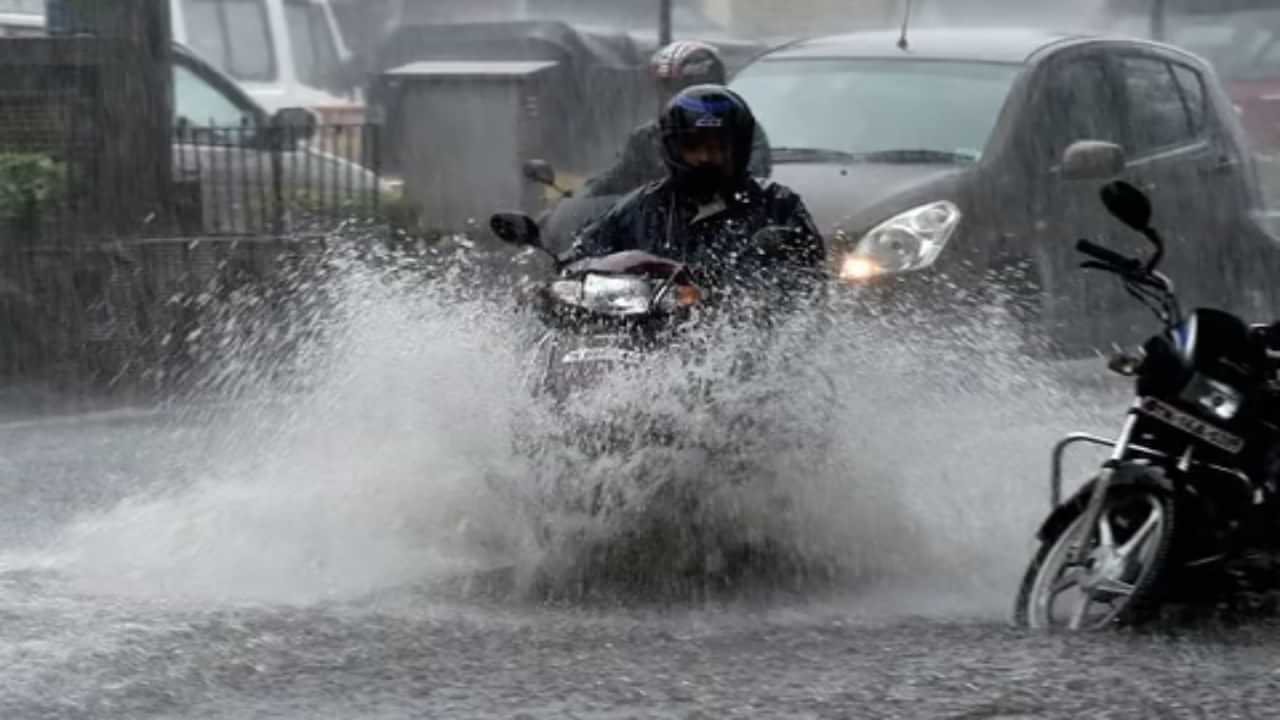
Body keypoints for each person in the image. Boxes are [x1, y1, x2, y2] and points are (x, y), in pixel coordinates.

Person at [562, 84, 825, 314]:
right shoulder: (640, 206)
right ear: (672, 148)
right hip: (642, 339)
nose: (705, 158)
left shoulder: (776, 204)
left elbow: (810, 272)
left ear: (739, 150)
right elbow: (582, 256)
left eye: (717, 148)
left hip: (746, 340)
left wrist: (780, 247)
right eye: (693, 147)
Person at [581, 41, 772, 199]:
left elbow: (755, 175)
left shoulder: (742, 130)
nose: (666, 95)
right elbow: (618, 178)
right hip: (662, 226)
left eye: (672, 87)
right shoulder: (647, 136)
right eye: (663, 87)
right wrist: (581, 199)